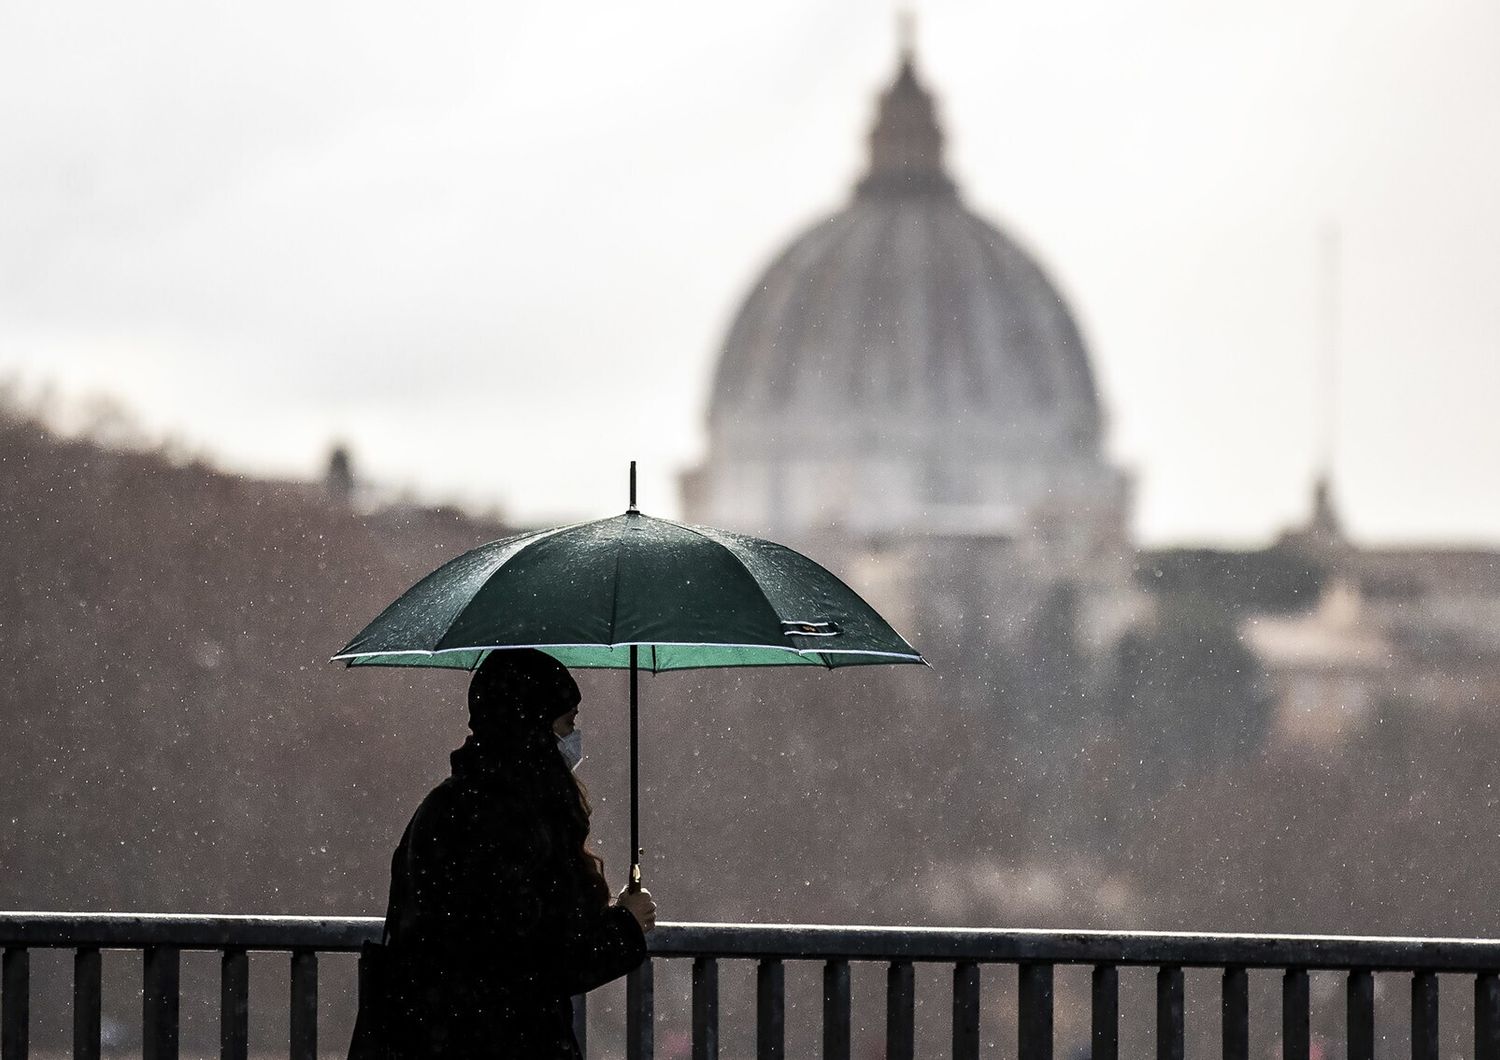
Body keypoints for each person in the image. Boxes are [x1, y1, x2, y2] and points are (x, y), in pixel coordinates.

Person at [380, 648, 656, 1057]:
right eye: (567, 724)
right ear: (534, 727)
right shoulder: (511, 821)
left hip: (433, 1038)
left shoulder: (445, 806)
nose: (573, 739)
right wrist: (625, 927)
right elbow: (535, 958)